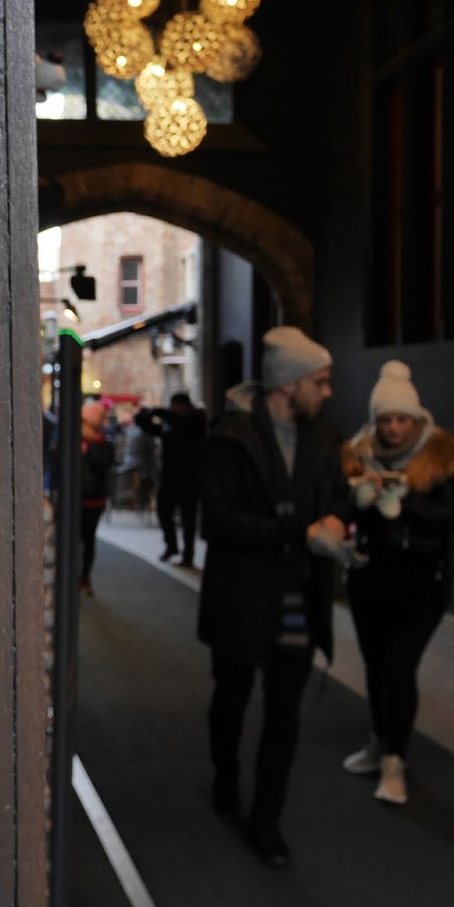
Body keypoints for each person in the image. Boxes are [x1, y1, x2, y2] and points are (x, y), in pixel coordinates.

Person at [199, 326, 353, 867]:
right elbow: (216, 522)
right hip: (241, 597)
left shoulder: (326, 439)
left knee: (285, 715)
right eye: (321, 381)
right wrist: (295, 534)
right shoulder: (231, 439)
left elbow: (338, 498)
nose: (328, 391)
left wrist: (339, 518)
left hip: (298, 598)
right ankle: (225, 778)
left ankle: (266, 821)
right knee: (231, 703)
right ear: (289, 384)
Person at [339, 361, 454, 806]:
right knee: (376, 666)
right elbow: (346, 513)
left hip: (421, 584)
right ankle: (380, 741)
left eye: (401, 419)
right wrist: (358, 503)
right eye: (385, 420)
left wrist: (405, 507)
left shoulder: (441, 457)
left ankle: (396, 759)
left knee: (399, 667)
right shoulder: (358, 454)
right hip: (370, 580)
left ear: (417, 420)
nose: (394, 429)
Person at [147, 392, 206, 565]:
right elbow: (155, 430)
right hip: (170, 475)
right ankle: (171, 545)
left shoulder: (195, 418)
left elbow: (183, 424)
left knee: (189, 517)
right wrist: (144, 417)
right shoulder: (170, 424)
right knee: (164, 511)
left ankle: (188, 554)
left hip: (189, 477)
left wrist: (160, 412)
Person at [79, 398, 118, 597]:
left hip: (93, 499)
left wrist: (89, 448)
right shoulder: (72, 437)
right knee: (72, 540)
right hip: (74, 499)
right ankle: (73, 576)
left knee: (88, 540)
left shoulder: (103, 441)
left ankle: (84, 576)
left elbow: (105, 464)